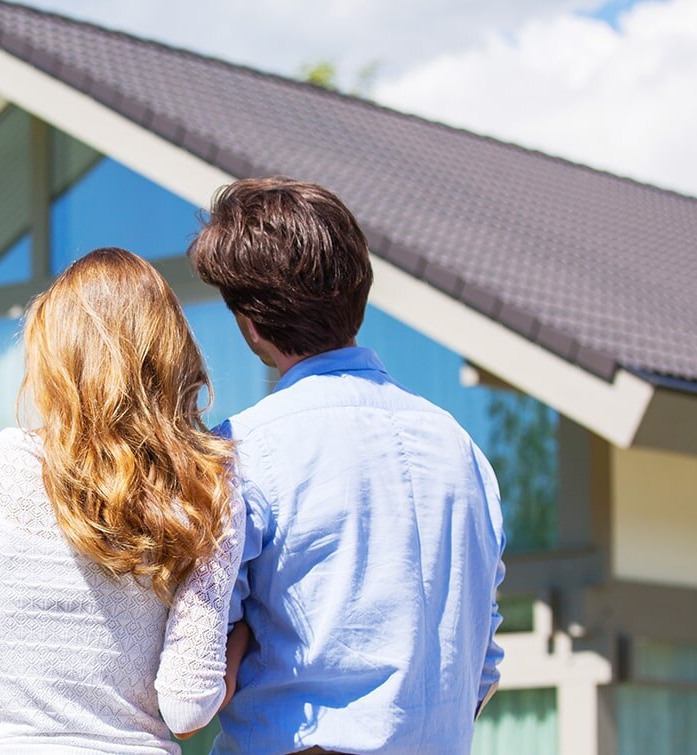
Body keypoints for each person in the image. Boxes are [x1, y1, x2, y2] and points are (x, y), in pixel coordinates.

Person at [188, 178, 506, 754]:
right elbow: (483, 658)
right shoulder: (461, 450)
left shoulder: (242, 451)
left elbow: (199, 656)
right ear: (357, 288)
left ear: (249, 322)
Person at [0, 248, 244, 753]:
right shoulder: (206, 484)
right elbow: (187, 705)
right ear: (169, 356)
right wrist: (243, 640)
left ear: (50, 354)